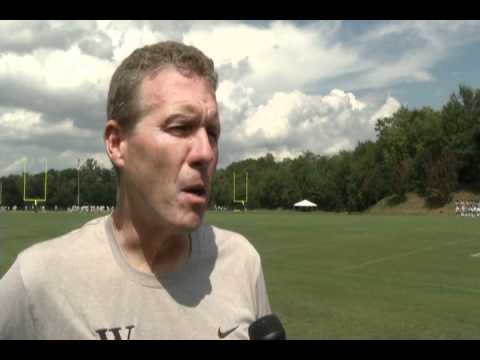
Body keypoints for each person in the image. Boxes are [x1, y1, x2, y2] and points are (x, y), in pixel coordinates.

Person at [0, 41, 272, 339]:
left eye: (213, 132)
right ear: (117, 144)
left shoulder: (241, 262)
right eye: (180, 128)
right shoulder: (40, 280)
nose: (205, 152)